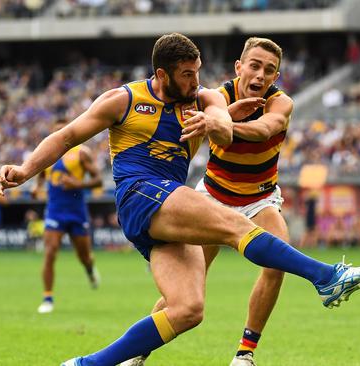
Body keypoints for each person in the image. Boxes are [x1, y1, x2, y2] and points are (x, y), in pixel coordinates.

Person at [0, 33, 360, 366]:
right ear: (162, 74)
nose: (196, 81)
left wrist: (220, 119)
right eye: (187, 75)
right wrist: (25, 170)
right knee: (238, 226)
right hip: (140, 194)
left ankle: (88, 364)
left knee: (186, 310)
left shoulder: (202, 99)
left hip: (167, 206)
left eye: (198, 72)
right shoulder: (123, 100)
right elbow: (66, 137)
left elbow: (219, 121)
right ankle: (328, 278)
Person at [123, 37, 301, 366]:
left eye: (269, 70)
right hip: (214, 197)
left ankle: (245, 354)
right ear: (239, 67)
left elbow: (264, 129)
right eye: (255, 65)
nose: (260, 75)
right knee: (185, 289)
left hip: (259, 198)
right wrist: (218, 119)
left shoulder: (281, 103)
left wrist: (224, 124)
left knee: (276, 262)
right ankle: (136, 353)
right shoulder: (215, 98)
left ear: (276, 77)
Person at [30, 119, 103, 314]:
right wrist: (36, 188)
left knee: (84, 256)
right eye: (55, 132)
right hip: (54, 210)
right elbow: (40, 174)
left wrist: (79, 185)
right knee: (50, 251)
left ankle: (89, 269)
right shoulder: (47, 153)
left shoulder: (80, 152)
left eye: (61, 131)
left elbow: (98, 180)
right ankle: (47, 298)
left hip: (77, 211)